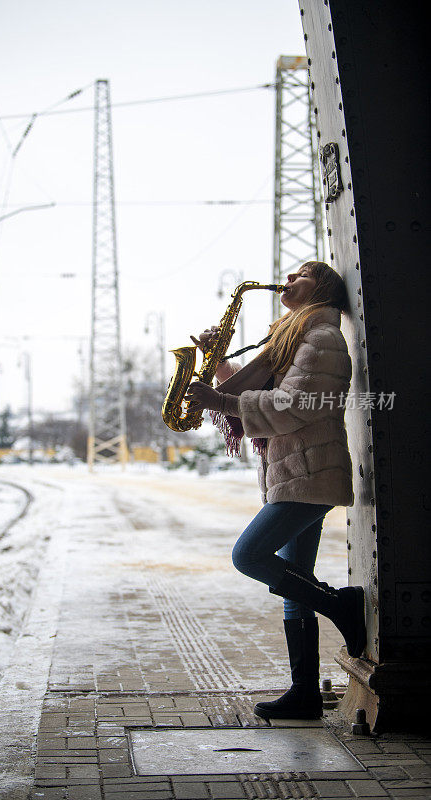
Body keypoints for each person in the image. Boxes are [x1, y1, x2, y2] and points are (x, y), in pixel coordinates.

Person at [185, 261, 366, 721]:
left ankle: (341, 606)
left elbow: (292, 406)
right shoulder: (291, 339)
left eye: (302, 274)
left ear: (321, 288)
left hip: (309, 474)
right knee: (293, 585)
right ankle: (304, 693)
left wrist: (221, 400)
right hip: (294, 473)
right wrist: (220, 365)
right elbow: (267, 391)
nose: (288, 278)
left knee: (248, 556)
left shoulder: (321, 339)